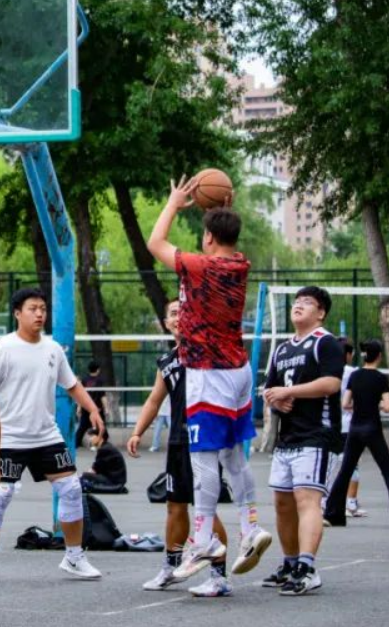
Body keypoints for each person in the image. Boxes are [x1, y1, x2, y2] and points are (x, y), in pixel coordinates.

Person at [146, 177, 270, 583]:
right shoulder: (240, 263)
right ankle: (250, 527)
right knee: (234, 456)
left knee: (202, 462)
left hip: (209, 373)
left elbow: (155, 243)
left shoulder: (201, 266)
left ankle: (202, 539)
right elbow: (223, 234)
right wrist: (220, 209)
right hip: (238, 372)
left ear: (209, 238)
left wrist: (173, 202)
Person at [0, 287, 105, 585]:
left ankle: (74, 557)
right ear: (18, 313)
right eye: (33, 308)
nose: (39, 314)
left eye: (43, 308)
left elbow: (72, 384)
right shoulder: (3, 349)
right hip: (9, 438)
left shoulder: (53, 349)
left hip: (46, 436)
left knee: (71, 488)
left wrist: (93, 410)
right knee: (0, 495)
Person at [126, 301, 233, 597]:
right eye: (173, 313)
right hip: (177, 440)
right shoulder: (167, 360)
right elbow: (154, 400)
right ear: (166, 322)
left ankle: (219, 576)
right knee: (175, 505)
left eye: (183, 311)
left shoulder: (205, 350)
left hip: (204, 438)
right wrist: (137, 432)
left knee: (205, 507)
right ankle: (171, 567)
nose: (178, 317)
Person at [260, 285, 343, 595]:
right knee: (282, 503)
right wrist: (275, 401)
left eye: (307, 302)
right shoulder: (282, 350)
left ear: (320, 313)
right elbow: (269, 389)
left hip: (316, 436)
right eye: (296, 301)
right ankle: (291, 563)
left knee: (307, 501)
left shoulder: (325, 342)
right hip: (287, 438)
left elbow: (331, 384)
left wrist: (290, 392)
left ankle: (307, 569)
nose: (298, 306)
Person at [322, 340, 389, 529]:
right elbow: (388, 407)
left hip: (355, 429)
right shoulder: (380, 378)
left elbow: (345, 403)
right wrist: (374, 404)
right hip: (372, 429)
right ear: (379, 356)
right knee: (388, 473)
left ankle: (332, 514)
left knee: (345, 472)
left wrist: (360, 404)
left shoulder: (354, 375)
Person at [336, 338, 364, 519]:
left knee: (331, 464)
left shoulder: (326, 371)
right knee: (352, 464)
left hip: (331, 425)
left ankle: (327, 502)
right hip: (348, 426)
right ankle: (350, 503)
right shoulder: (352, 372)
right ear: (347, 354)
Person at [77, 361, 108, 447]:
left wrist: (79, 408)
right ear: (97, 370)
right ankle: (102, 443)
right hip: (97, 409)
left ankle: (76, 443)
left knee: (82, 428)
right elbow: (102, 396)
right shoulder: (100, 381)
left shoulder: (84, 380)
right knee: (101, 427)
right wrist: (106, 408)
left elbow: (80, 395)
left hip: (86, 408)